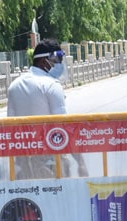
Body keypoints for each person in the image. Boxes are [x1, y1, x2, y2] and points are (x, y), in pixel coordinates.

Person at [6, 38, 87, 179]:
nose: (60, 64)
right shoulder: (51, 85)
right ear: (44, 61)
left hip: (23, 162)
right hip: (50, 160)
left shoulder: (14, 86)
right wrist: (81, 162)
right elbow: (63, 127)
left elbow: (10, 127)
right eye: (57, 59)